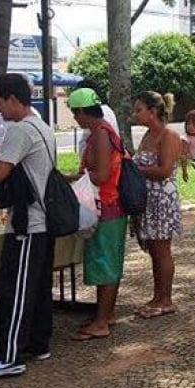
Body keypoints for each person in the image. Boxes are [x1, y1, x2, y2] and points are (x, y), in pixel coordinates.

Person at [0, 74, 56, 378]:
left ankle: (9, 357)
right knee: (38, 288)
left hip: (28, 223)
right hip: (41, 222)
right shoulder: (42, 126)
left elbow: (1, 172)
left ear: (14, 100)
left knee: (14, 292)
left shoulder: (20, 130)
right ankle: (37, 345)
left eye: (0, 103)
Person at [67, 88, 127, 342]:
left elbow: (101, 175)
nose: (75, 119)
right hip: (104, 205)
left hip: (108, 206)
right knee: (105, 261)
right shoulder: (99, 132)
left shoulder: (101, 134)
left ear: (82, 112)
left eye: (75, 114)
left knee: (106, 264)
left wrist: (74, 180)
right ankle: (106, 314)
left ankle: (102, 321)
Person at [131, 91, 182, 318]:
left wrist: (135, 170)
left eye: (139, 109)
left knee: (162, 250)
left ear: (152, 112)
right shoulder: (147, 136)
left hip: (161, 198)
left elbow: (164, 170)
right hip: (148, 198)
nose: (135, 114)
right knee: (153, 249)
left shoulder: (168, 136)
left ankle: (166, 298)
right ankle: (157, 295)